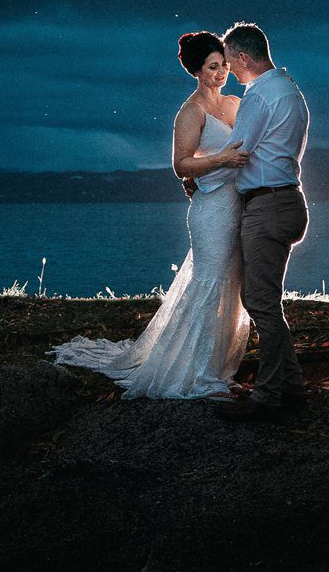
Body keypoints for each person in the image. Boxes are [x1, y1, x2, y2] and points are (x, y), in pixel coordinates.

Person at [50, 31, 254, 399]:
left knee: (232, 286)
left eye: (224, 65)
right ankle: (199, 375)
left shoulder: (236, 104)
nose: (221, 72)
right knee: (210, 284)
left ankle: (219, 367)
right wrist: (221, 160)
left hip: (239, 203)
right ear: (197, 71)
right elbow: (181, 165)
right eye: (213, 67)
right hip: (211, 211)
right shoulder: (191, 111)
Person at [212, 21, 312, 420]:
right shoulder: (290, 91)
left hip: (267, 207)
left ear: (243, 57)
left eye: (230, 62)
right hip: (288, 202)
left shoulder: (258, 96)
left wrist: (198, 178)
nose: (228, 70)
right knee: (266, 300)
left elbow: (237, 152)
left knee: (260, 302)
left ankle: (268, 399)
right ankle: (293, 388)